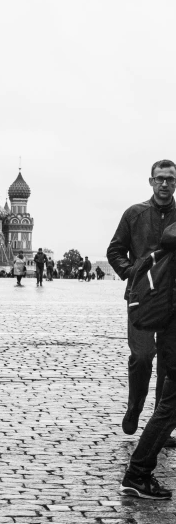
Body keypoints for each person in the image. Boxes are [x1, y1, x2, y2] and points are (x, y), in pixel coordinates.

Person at [107, 158, 176, 452]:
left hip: (174, 301)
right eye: (160, 178)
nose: (164, 184)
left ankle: (159, 425)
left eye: (170, 179)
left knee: (170, 367)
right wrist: (131, 272)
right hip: (142, 300)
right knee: (142, 356)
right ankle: (135, 406)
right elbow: (115, 250)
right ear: (151, 181)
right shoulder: (135, 214)